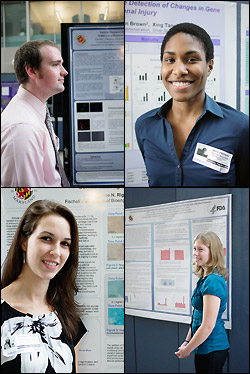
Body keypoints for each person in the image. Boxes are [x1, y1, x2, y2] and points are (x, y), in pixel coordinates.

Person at [135, 23, 249, 187]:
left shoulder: (240, 128)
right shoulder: (145, 125)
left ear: (209, 66)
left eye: (191, 59)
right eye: (170, 60)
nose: (179, 70)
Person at [1, 200, 86, 373]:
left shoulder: (67, 316)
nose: (56, 252)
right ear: (23, 242)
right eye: (46, 238)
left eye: (65, 243)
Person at [1, 39, 70, 187]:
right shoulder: (22, 128)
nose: (64, 71)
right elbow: (26, 200)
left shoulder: (36, 113)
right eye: (55, 64)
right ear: (32, 71)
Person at [174, 232, 230, 373]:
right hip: (202, 347)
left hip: (212, 348)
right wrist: (187, 342)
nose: (195, 253)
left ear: (213, 252)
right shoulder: (204, 278)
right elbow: (197, 316)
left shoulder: (213, 281)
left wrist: (188, 348)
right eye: (194, 249)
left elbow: (208, 325)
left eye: (201, 249)